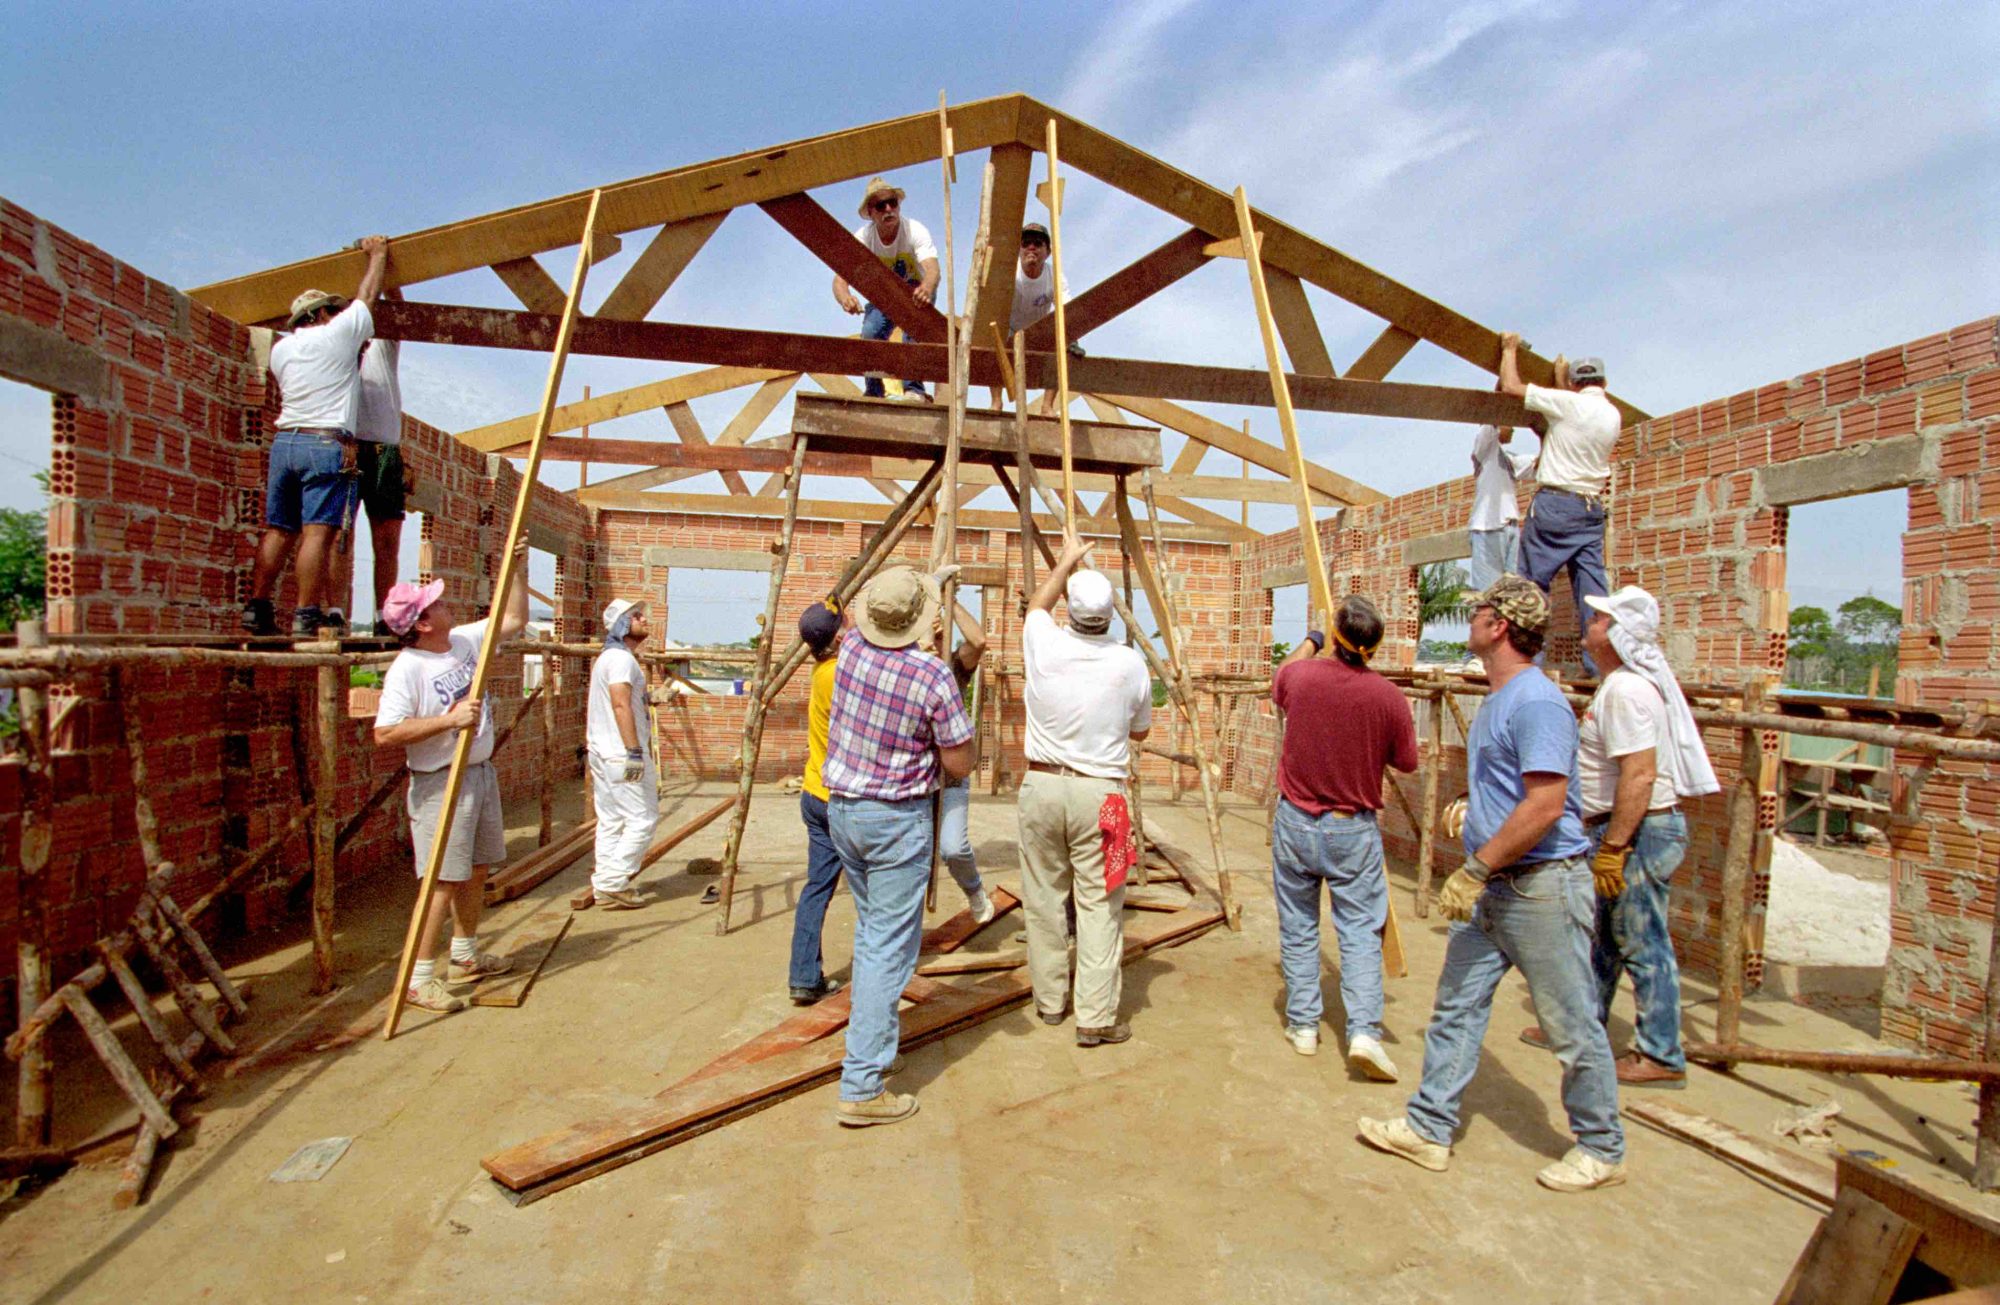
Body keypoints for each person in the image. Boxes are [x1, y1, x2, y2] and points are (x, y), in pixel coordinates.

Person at [1356, 576, 1626, 1193]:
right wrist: (1475, 811)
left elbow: (1547, 805)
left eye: (1478, 611)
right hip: (1498, 888)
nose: (1470, 618)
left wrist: (1476, 866)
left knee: (1570, 1023)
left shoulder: (1536, 702)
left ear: (1499, 625)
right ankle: (1429, 1128)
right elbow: (1515, 793)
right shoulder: (1500, 698)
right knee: (1456, 1005)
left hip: (1540, 889)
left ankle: (1602, 1146)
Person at [1521, 585, 1718, 1088]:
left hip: (1638, 831)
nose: (1589, 624)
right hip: (1622, 828)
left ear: (1615, 634)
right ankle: (1581, 1026)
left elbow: (1640, 776)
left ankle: (1661, 1053)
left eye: (1599, 620)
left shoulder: (1628, 692)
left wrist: (1614, 847)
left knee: (1642, 942)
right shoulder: (1617, 686)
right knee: (1602, 939)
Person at [821, 567, 975, 1126]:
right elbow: (958, 763)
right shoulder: (932, 676)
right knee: (888, 949)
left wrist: (924, 584)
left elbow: (872, 614)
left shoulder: (854, 648)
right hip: (894, 821)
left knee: (873, 936)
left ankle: (877, 1054)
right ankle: (861, 1086)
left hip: (845, 813)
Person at [372, 543, 531, 1014]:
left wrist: (517, 570)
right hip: (441, 781)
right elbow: (385, 733)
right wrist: (450, 720)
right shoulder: (408, 671)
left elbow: (514, 620)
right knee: (441, 879)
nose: (444, 604)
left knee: (479, 867)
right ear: (421, 625)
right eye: (433, 605)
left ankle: (465, 950)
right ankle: (420, 978)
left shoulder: (463, 640)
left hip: (478, 772)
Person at [1270, 596, 1419, 1078]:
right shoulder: (1388, 697)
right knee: (1358, 933)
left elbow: (1281, 677)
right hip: (1350, 828)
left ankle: (1305, 1026)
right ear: (1374, 646)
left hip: (1295, 821)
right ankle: (1363, 1033)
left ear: (1335, 636)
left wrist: (1310, 640)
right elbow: (1407, 762)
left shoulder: (1303, 677)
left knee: (1299, 926)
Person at [1018, 536, 1152, 1047]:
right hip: (1104, 795)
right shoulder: (1130, 664)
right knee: (1100, 905)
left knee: (1044, 897)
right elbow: (1139, 733)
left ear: (1069, 613)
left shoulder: (1044, 642)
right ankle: (1095, 1017)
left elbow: (1036, 606)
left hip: (1042, 786)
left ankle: (1051, 1002)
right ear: (1111, 615)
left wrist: (1066, 559)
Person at [242, 235, 390, 637]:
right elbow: (368, 296)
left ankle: (257, 608)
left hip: (285, 441)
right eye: (331, 310)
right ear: (321, 312)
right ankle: (306, 613)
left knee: (278, 529)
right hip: (324, 444)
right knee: (317, 533)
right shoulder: (336, 334)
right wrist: (377, 255)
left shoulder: (281, 350)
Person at [1499, 333, 1619, 667]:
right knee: (1593, 594)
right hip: (1590, 508)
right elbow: (1571, 414)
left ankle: (1528, 666)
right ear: (1604, 382)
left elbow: (1511, 385)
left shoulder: (1568, 404)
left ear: (1572, 383)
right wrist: (1561, 382)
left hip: (1556, 505)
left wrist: (1509, 349)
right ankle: (1601, 668)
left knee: (1533, 587)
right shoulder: (1612, 415)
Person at [787, 599, 848, 1005]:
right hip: (842, 800)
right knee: (877, 889)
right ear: (839, 637)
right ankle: (887, 970)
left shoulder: (822, 669)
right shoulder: (842, 673)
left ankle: (804, 976)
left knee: (817, 887)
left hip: (815, 791)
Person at [832, 177, 938, 402]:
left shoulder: (914, 230)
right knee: (871, 334)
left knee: (914, 328)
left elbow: (932, 269)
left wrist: (927, 287)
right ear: (871, 212)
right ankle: (874, 392)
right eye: (881, 205)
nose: (889, 209)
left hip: (917, 288)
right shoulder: (863, 238)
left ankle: (914, 390)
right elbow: (840, 280)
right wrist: (845, 298)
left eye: (893, 203)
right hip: (885, 294)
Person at [585, 597, 660, 910]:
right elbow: (619, 703)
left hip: (603, 753)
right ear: (621, 624)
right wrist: (633, 751)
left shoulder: (608, 659)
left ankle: (605, 882)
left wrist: (652, 698)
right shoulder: (621, 660)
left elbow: (624, 701)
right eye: (636, 615)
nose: (644, 618)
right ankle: (612, 881)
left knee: (612, 820)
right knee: (642, 818)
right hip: (621, 754)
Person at [935, 579, 996, 925]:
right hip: (912, 780)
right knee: (913, 861)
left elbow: (979, 641)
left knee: (953, 848)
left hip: (952, 778)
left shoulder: (954, 667)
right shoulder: (908, 663)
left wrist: (950, 601)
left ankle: (974, 890)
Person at [354, 286, 412, 636]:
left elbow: (398, 305)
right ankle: (333, 612)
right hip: (347, 445)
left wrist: (386, 269)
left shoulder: (382, 343)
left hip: (384, 449)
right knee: (339, 537)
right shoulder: (337, 350)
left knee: (387, 541)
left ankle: (383, 616)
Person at [1466, 412, 1536, 590]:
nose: (1513, 430)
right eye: (1510, 425)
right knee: (1488, 594)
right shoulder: (1486, 447)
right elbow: (1492, 411)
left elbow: (1539, 463)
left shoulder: (1508, 458)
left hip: (1509, 527)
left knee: (1513, 592)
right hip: (1487, 528)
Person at [1008, 222, 1070, 337]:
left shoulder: (1056, 278)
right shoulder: (1008, 274)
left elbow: (1066, 312)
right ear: (1018, 250)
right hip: (1009, 332)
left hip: (1038, 336)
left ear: (1048, 252)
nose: (1031, 247)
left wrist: (1071, 338)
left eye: (1038, 243)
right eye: (1025, 243)